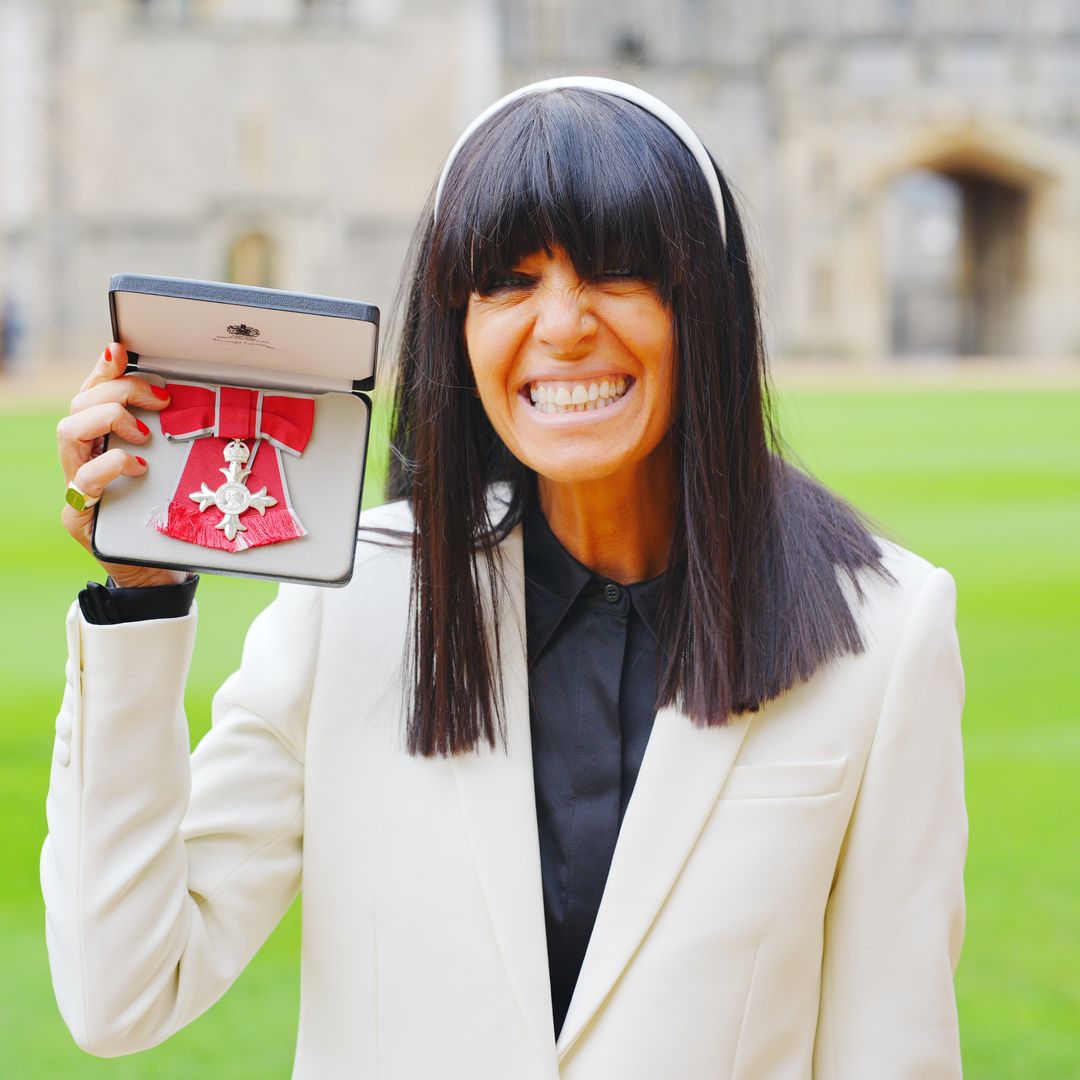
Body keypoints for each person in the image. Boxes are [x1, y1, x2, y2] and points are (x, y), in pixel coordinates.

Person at [43, 77, 968, 1078]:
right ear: (459, 325)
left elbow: (895, 1047)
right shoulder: (349, 604)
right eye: (511, 281)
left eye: (618, 271)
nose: (562, 325)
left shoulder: (885, 628)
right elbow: (122, 990)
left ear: (705, 302)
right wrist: (138, 595)